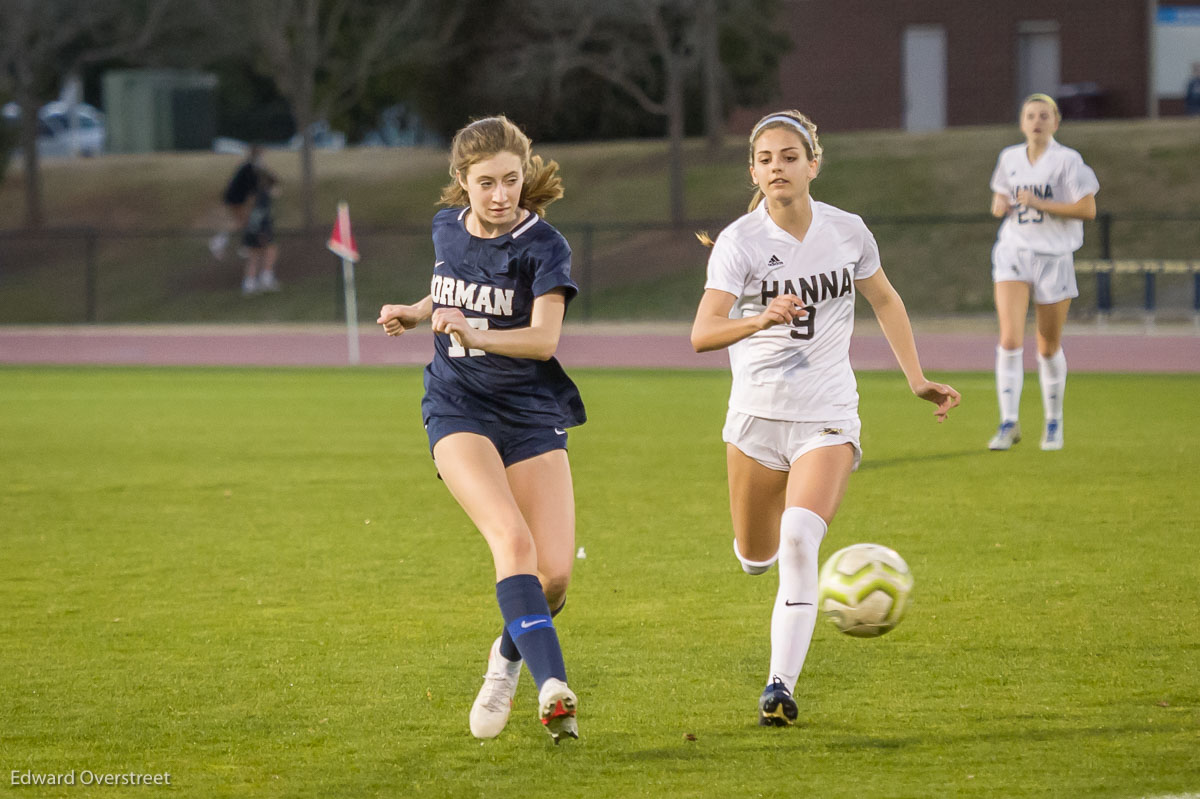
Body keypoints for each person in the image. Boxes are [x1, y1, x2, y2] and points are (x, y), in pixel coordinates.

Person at [690, 110, 960, 727]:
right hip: (757, 419)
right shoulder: (741, 242)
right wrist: (759, 318)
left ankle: (779, 687)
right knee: (755, 557)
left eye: (789, 156)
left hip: (828, 414)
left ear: (813, 164)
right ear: (753, 172)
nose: (776, 168)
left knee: (799, 537)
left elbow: (885, 298)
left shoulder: (848, 230)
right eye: (765, 159)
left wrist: (915, 379)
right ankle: (763, 572)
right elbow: (703, 333)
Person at [376, 116, 585, 744]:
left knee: (553, 581)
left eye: (511, 181)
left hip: (530, 413)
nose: (500, 195)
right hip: (458, 407)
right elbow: (450, 291)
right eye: (486, 182)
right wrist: (417, 314)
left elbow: (545, 340)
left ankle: (504, 659)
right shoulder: (446, 227)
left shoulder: (544, 245)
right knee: (512, 543)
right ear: (461, 181)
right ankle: (554, 688)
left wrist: (475, 333)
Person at [987, 93, 1099, 451]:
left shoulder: (1068, 161)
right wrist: (1001, 204)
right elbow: (998, 201)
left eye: (1044, 115)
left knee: (1048, 346)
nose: (1037, 121)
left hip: (1054, 257)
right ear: (1022, 122)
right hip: (1014, 251)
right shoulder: (1009, 158)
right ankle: (1008, 422)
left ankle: (1053, 423)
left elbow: (1087, 209)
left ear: (1056, 122)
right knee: (1009, 339)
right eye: (1031, 115)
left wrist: (1042, 204)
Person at [210, 144, 262, 262]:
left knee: (242, 222)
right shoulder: (249, 168)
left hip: (235, 198)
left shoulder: (247, 167)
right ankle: (222, 242)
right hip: (235, 199)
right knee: (241, 222)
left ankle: (240, 245)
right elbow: (253, 188)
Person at [240, 168, 281, 295]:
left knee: (254, 256)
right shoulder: (264, 197)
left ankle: (249, 284)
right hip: (260, 230)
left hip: (251, 230)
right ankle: (266, 278)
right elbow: (259, 215)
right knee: (271, 251)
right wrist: (261, 232)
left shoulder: (256, 195)